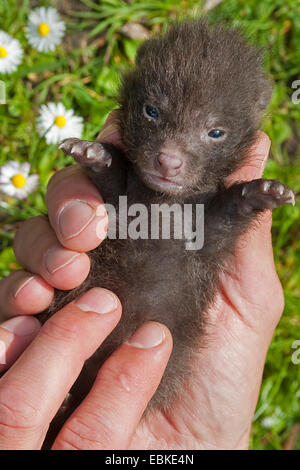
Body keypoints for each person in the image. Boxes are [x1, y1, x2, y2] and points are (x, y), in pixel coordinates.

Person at [0, 115, 284, 449]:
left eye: (214, 133)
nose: (169, 155)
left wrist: (243, 201)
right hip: (75, 380)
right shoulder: (133, 179)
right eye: (152, 113)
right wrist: (104, 164)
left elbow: (214, 230)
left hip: (130, 387)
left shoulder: (206, 200)